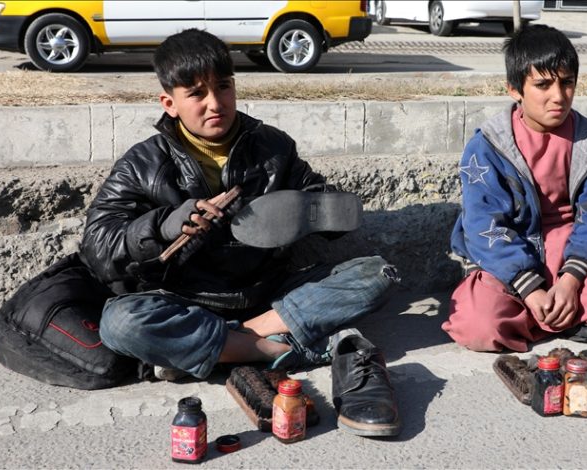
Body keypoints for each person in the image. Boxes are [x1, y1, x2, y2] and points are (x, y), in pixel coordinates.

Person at [79, 28, 398, 381]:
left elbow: (334, 213)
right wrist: (162, 225)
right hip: (186, 299)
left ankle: (221, 345)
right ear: (169, 103)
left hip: (270, 294)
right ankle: (271, 348)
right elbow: (96, 246)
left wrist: (311, 210)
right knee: (120, 323)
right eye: (196, 93)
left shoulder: (274, 147)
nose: (216, 103)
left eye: (223, 87)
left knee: (377, 274)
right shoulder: (141, 164)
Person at [441, 24, 587, 353]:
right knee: (478, 327)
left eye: (567, 82)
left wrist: (571, 281)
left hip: (576, 259)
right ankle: (560, 315)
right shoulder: (488, 147)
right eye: (543, 85)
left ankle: (549, 314)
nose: (558, 96)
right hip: (510, 261)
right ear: (514, 89)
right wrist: (530, 289)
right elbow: (484, 225)